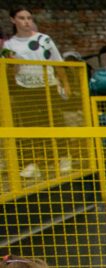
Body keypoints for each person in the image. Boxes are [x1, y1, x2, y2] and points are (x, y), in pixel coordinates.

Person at [1, 6, 71, 178]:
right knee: (28, 125)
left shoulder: (44, 39)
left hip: (47, 85)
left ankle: (63, 157)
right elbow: (11, 72)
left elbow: (58, 62)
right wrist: (13, 64)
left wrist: (66, 83)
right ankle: (32, 163)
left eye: (29, 18)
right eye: (22, 18)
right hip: (24, 88)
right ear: (13, 20)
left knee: (55, 122)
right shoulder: (9, 45)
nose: (26, 22)